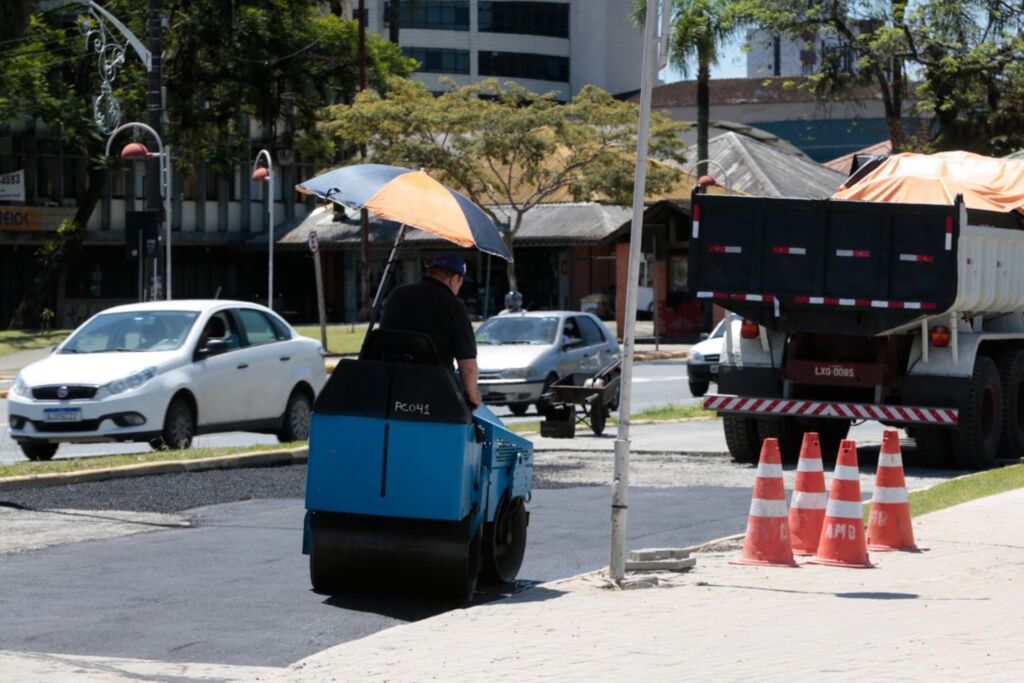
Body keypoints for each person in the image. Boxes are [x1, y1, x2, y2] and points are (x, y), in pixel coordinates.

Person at [380, 253, 481, 410]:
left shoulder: (396, 295)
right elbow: (467, 365)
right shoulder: (454, 306)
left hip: (390, 388)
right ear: (454, 279)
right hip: (435, 394)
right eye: (460, 283)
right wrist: (473, 396)